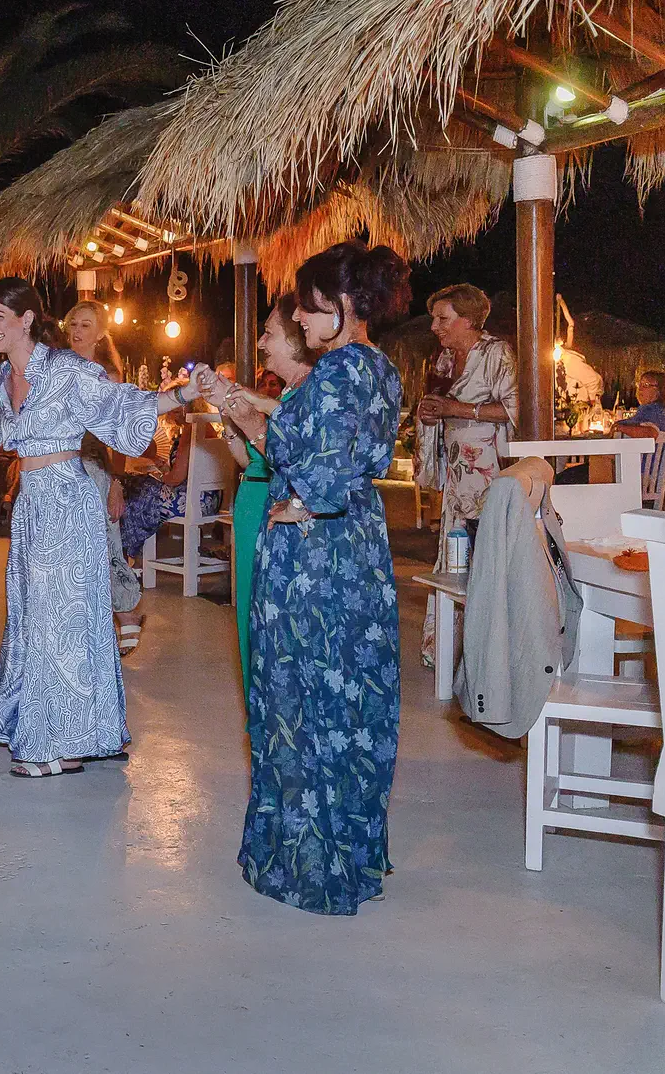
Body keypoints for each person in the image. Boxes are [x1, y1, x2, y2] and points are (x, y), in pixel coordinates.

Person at [0, 278, 214, 778]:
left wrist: (185, 392)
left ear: (27, 320)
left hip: (67, 499)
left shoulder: (65, 369)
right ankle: (71, 729)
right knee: (33, 615)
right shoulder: (2, 378)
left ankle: (65, 744)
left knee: (64, 619)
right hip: (33, 505)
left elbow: (122, 405)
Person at [217, 241, 406, 915]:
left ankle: (309, 861)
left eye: (308, 304)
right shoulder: (382, 369)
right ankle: (351, 852)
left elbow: (314, 472)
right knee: (351, 701)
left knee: (300, 700)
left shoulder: (334, 373)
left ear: (343, 304)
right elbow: (346, 459)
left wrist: (295, 503)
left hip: (313, 561)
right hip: (360, 550)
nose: (298, 315)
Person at [412, 283, 518, 667]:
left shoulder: (496, 353)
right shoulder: (444, 360)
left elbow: (516, 409)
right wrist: (429, 417)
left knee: (486, 553)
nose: (435, 327)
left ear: (469, 319)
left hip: (489, 470)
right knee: (455, 554)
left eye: (443, 319)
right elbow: (442, 411)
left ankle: (488, 652)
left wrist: (458, 409)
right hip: (458, 473)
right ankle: (449, 650)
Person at [214, 297, 317, 686]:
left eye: (268, 333)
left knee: (273, 622)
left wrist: (250, 422)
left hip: (275, 507)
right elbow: (250, 460)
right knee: (250, 613)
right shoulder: (289, 392)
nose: (260, 343)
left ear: (295, 339)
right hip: (253, 498)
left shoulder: (309, 393)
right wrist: (229, 421)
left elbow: (291, 460)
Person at [64, 302, 147, 656]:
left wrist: (117, 484)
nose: (77, 331)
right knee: (70, 550)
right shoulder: (59, 368)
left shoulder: (107, 377)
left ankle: (127, 613)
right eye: (73, 324)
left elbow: (121, 435)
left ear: (100, 333)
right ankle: (81, 624)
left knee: (106, 545)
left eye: (85, 325)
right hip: (61, 468)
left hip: (96, 469)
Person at [118, 402, 222, 560]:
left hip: (190, 502)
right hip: (210, 500)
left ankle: (132, 555)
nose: (173, 410)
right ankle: (135, 553)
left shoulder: (192, 429)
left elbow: (175, 479)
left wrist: (159, 477)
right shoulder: (207, 427)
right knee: (138, 485)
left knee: (130, 487)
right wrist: (160, 466)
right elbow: (188, 472)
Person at [614, 369, 665, 438]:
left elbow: (651, 433)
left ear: (661, 390)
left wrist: (618, 427)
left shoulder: (651, 410)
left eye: (646, 385)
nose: (640, 388)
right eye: (639, 384)